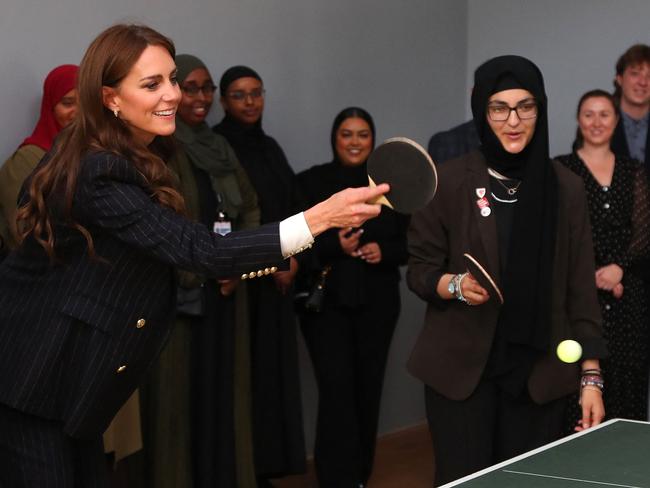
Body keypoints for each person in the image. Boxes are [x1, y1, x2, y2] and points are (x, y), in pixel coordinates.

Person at [0, 24, 387, 487]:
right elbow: (201, 250)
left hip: (71, 386)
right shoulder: (99, 168)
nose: (173, 95)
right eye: (151, 84)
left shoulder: (122, 150)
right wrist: (320, 218)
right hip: (32, 382)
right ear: (110, 98)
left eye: (171, 80)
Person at [406, 55, 608, 486]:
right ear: (481, 109)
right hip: (461, 375)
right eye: (499, 107)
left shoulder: (567, 188)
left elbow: (581, 291)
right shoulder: (447, 181)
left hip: (539, 376)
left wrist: (591, 377)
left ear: (542, 109)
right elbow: (420, 271)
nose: (513, 120)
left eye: (525, 106)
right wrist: (455, 284)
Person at [140, 54, 261, 488]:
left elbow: (248, 206)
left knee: (222, 398)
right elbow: (159, 224)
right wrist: (204, 269)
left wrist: (239, 265)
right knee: (178, 403)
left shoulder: (218, 146)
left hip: (226, 290)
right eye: (189, 87)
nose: (200, 97)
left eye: (207, 88)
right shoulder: (160, 147)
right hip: (181, 295)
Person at [297, 107, 409, 488]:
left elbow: (411, 244)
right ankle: (334, 479)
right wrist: (334, 247)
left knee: (368, 390)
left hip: (378, 306)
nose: (355, 141)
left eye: (363, 134)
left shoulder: (389, 188)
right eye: (347, 133)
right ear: (335, 138)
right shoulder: (312, 183)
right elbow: (294, 246)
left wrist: (384, 252)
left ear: (373, 140)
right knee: (336, 393)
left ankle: (360, 476)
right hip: (325, 307)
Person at [214, 65, 307, 485]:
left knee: (273, 375)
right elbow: (238, 215)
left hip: (278, 279)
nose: (250, 102)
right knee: (247, 375)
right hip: (246, 281)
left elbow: (289, 204)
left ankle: (270, 465)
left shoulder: (269, 147)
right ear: (223, 101)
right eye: (239, 95)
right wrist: (272, 259)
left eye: (256, 93)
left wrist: (293, 257)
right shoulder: (220, 146)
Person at [556, 89, 650, 425]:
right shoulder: (560, 170)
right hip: (577, 299)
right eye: (589, 114)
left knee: (628, 389)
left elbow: (644, 230)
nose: (597, 122)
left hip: (629, 301)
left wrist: (619, 269)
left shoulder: (633, 169)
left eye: (604, 114)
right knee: (575, 394)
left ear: (616, 120)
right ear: (579, 121)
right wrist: (592, 273)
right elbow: (558, 234)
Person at [0, 64, 78, 249]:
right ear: (50, 107)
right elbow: (25, 234)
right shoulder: (26, 160)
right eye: (68, 103)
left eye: (87, 104)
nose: (80, 112)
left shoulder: (98, 157)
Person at [610, 44, 650, 171]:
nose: (643, 82)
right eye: (635, 74)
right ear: (619, 79)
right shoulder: (599, 123)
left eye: (649, 76)